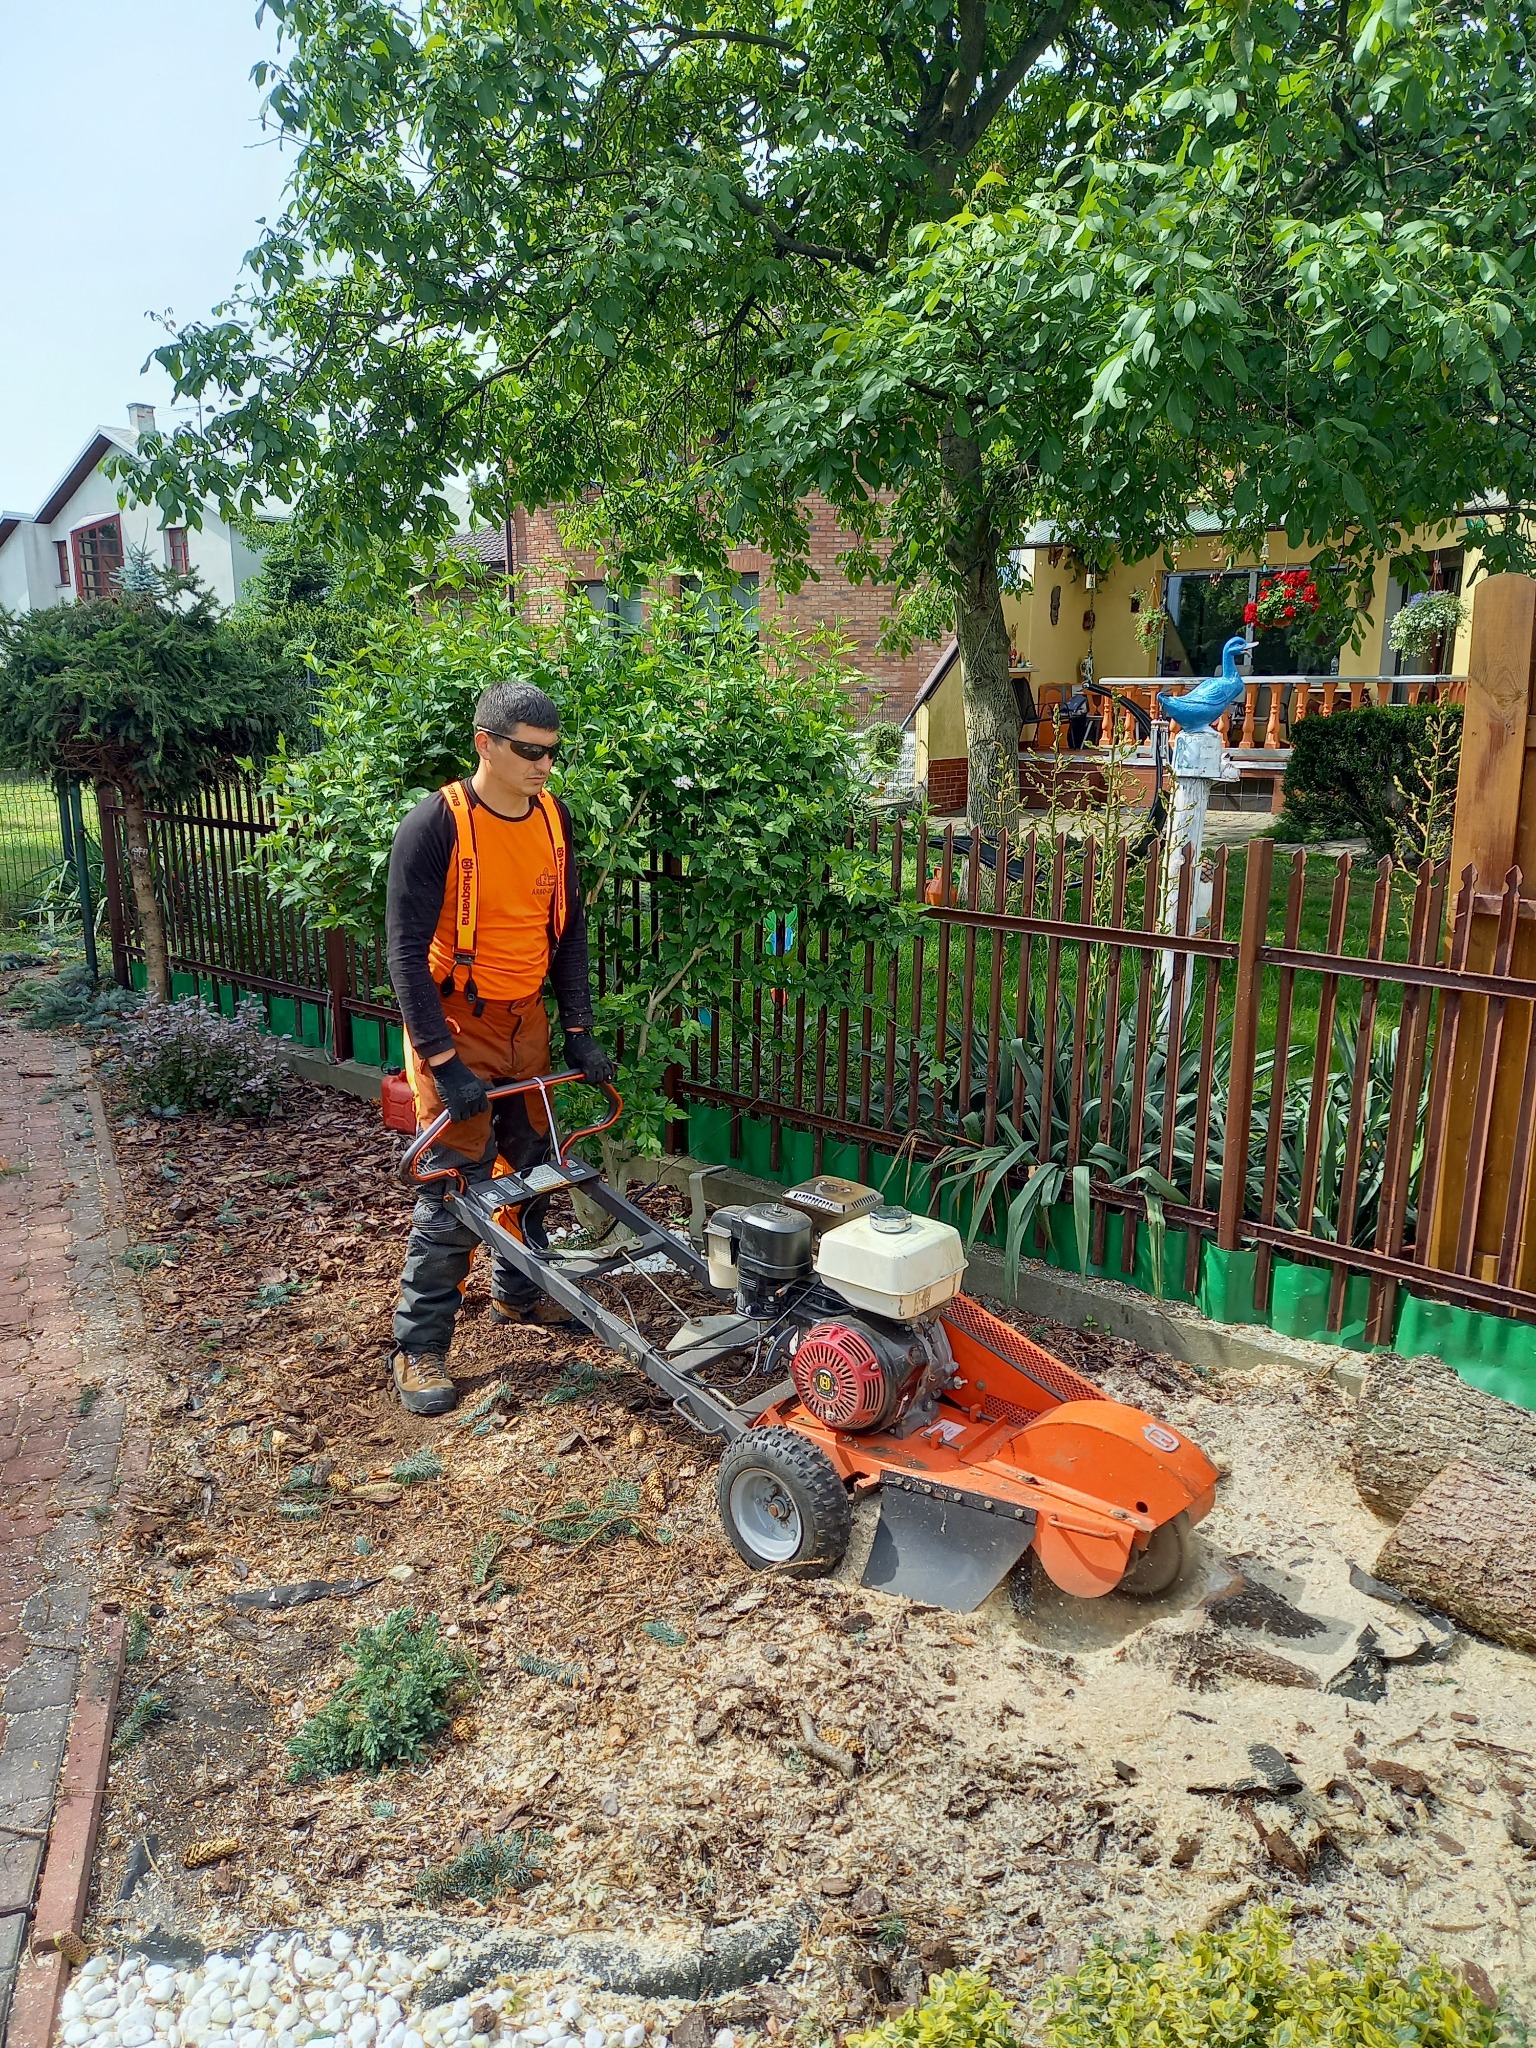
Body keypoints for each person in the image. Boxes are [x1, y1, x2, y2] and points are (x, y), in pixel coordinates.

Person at [384, 681, 614, 1415]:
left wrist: (576, 1029)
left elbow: (569, 929)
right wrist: (443, 1065)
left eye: (552, 752)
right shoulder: (436, 826)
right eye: (529, 752)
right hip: (456, 1025)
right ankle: (419, 1349)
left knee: (535, 1169)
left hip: (526, 1024)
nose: (545, 766)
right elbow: (404, 955)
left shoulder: (552, 818)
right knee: (453, 1194)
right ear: (486, 743)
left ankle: (519, 1293)